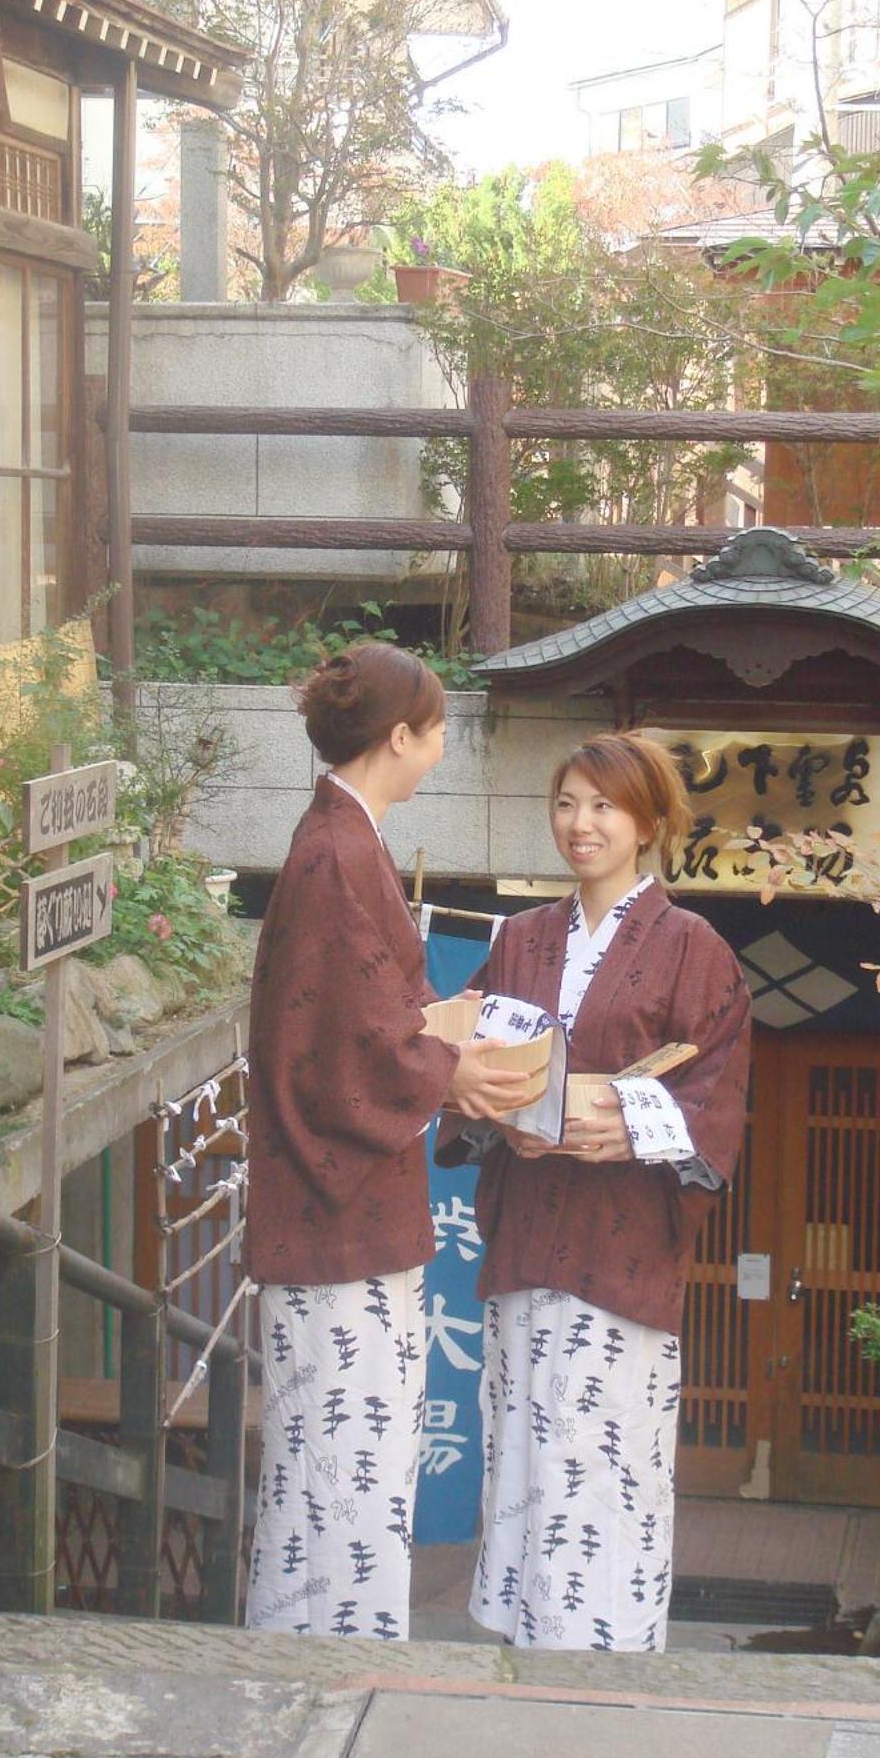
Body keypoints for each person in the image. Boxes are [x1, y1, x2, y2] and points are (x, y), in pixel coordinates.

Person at [244, 641, 531, 1640]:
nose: (445, 743)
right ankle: (322, 1666)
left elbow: (368, 1018)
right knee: (340, 1464)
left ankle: (330, 1653)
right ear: (399, 737)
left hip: (349, 1212)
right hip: (337, 1223)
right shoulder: (335, 854)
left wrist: (445, 1030)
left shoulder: (343, 841)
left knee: (347, 1465)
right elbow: (340, 1052)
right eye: (438, 726)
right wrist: (448, 1066)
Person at [440, 731, 751, 1653]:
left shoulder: (696, 950)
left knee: (603, 1455)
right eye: (568, 803)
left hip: (619, 1248)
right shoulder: (523, 938)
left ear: (650, 822)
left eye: (605, 806)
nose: (582, 824)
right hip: (528, 1230)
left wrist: (625, 1125)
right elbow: (464, 1051)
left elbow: (716, 1098)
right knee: (525, 1444)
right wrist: (489, 1102)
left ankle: (600, 1655)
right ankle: (522, 1646)